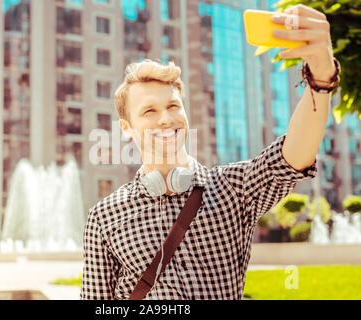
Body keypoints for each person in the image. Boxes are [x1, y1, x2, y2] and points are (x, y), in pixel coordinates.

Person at [81, 4, 339, 300]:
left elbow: (292, 157)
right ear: (126, 127)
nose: (165, 119)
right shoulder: (103, 217)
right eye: (149, 111)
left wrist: (321, 78)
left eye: (173, 106)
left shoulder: (233, 188)